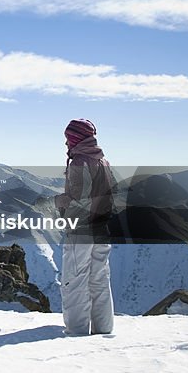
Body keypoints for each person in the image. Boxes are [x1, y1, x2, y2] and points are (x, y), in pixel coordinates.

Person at [54, 118, 116, 335]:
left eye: (68, 138)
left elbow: (80, 202)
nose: (66, 144)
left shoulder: (79, 163)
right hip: (102, 229)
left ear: (76, 138)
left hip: (81, 231)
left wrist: (61, 203)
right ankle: (104, 329)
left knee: (75, 280)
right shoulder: (103, 162)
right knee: (99, 279)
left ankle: (77, 331)